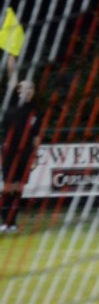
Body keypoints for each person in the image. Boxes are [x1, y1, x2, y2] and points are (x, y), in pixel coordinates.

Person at [1, 55, 40, 233]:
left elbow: (36, 136)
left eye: (31, 87)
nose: (27, 90)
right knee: (9, 186)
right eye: (24, 87)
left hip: (25, 153)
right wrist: (11, 57)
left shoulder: (35, 110)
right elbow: (12, 76)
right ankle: (4, 222)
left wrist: (35, 155)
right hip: (9, 151)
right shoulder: (13, 102)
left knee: (18, 188)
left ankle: (13, 222)